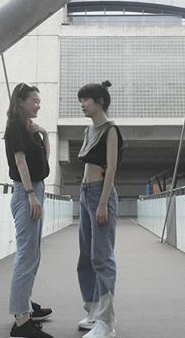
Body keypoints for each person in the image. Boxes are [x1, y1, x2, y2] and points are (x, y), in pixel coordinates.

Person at [4, 82, 54, 338]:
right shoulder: (14, 126)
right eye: (34, 101)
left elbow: (44, 160)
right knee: (26, 254)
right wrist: (30, 194)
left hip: (37, 188)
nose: (38, 105)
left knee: (33, 253)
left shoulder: (30, 129)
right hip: (27, 193)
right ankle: (21, 320)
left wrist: (44, 134)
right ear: (21, 102)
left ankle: (25, 304)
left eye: (39, 101)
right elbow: (20, 161)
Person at [76, 81, 123, 338]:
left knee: (101, 257)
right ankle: (93, 311)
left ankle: (106, 322)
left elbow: (112, 168)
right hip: (85, 193)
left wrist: (103, 202)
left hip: (99, 194)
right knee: (85, 257)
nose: (82, 104)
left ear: (100, 102)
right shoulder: (89, 130)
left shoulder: (110, 129)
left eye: (86, 100)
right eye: (81, 100)